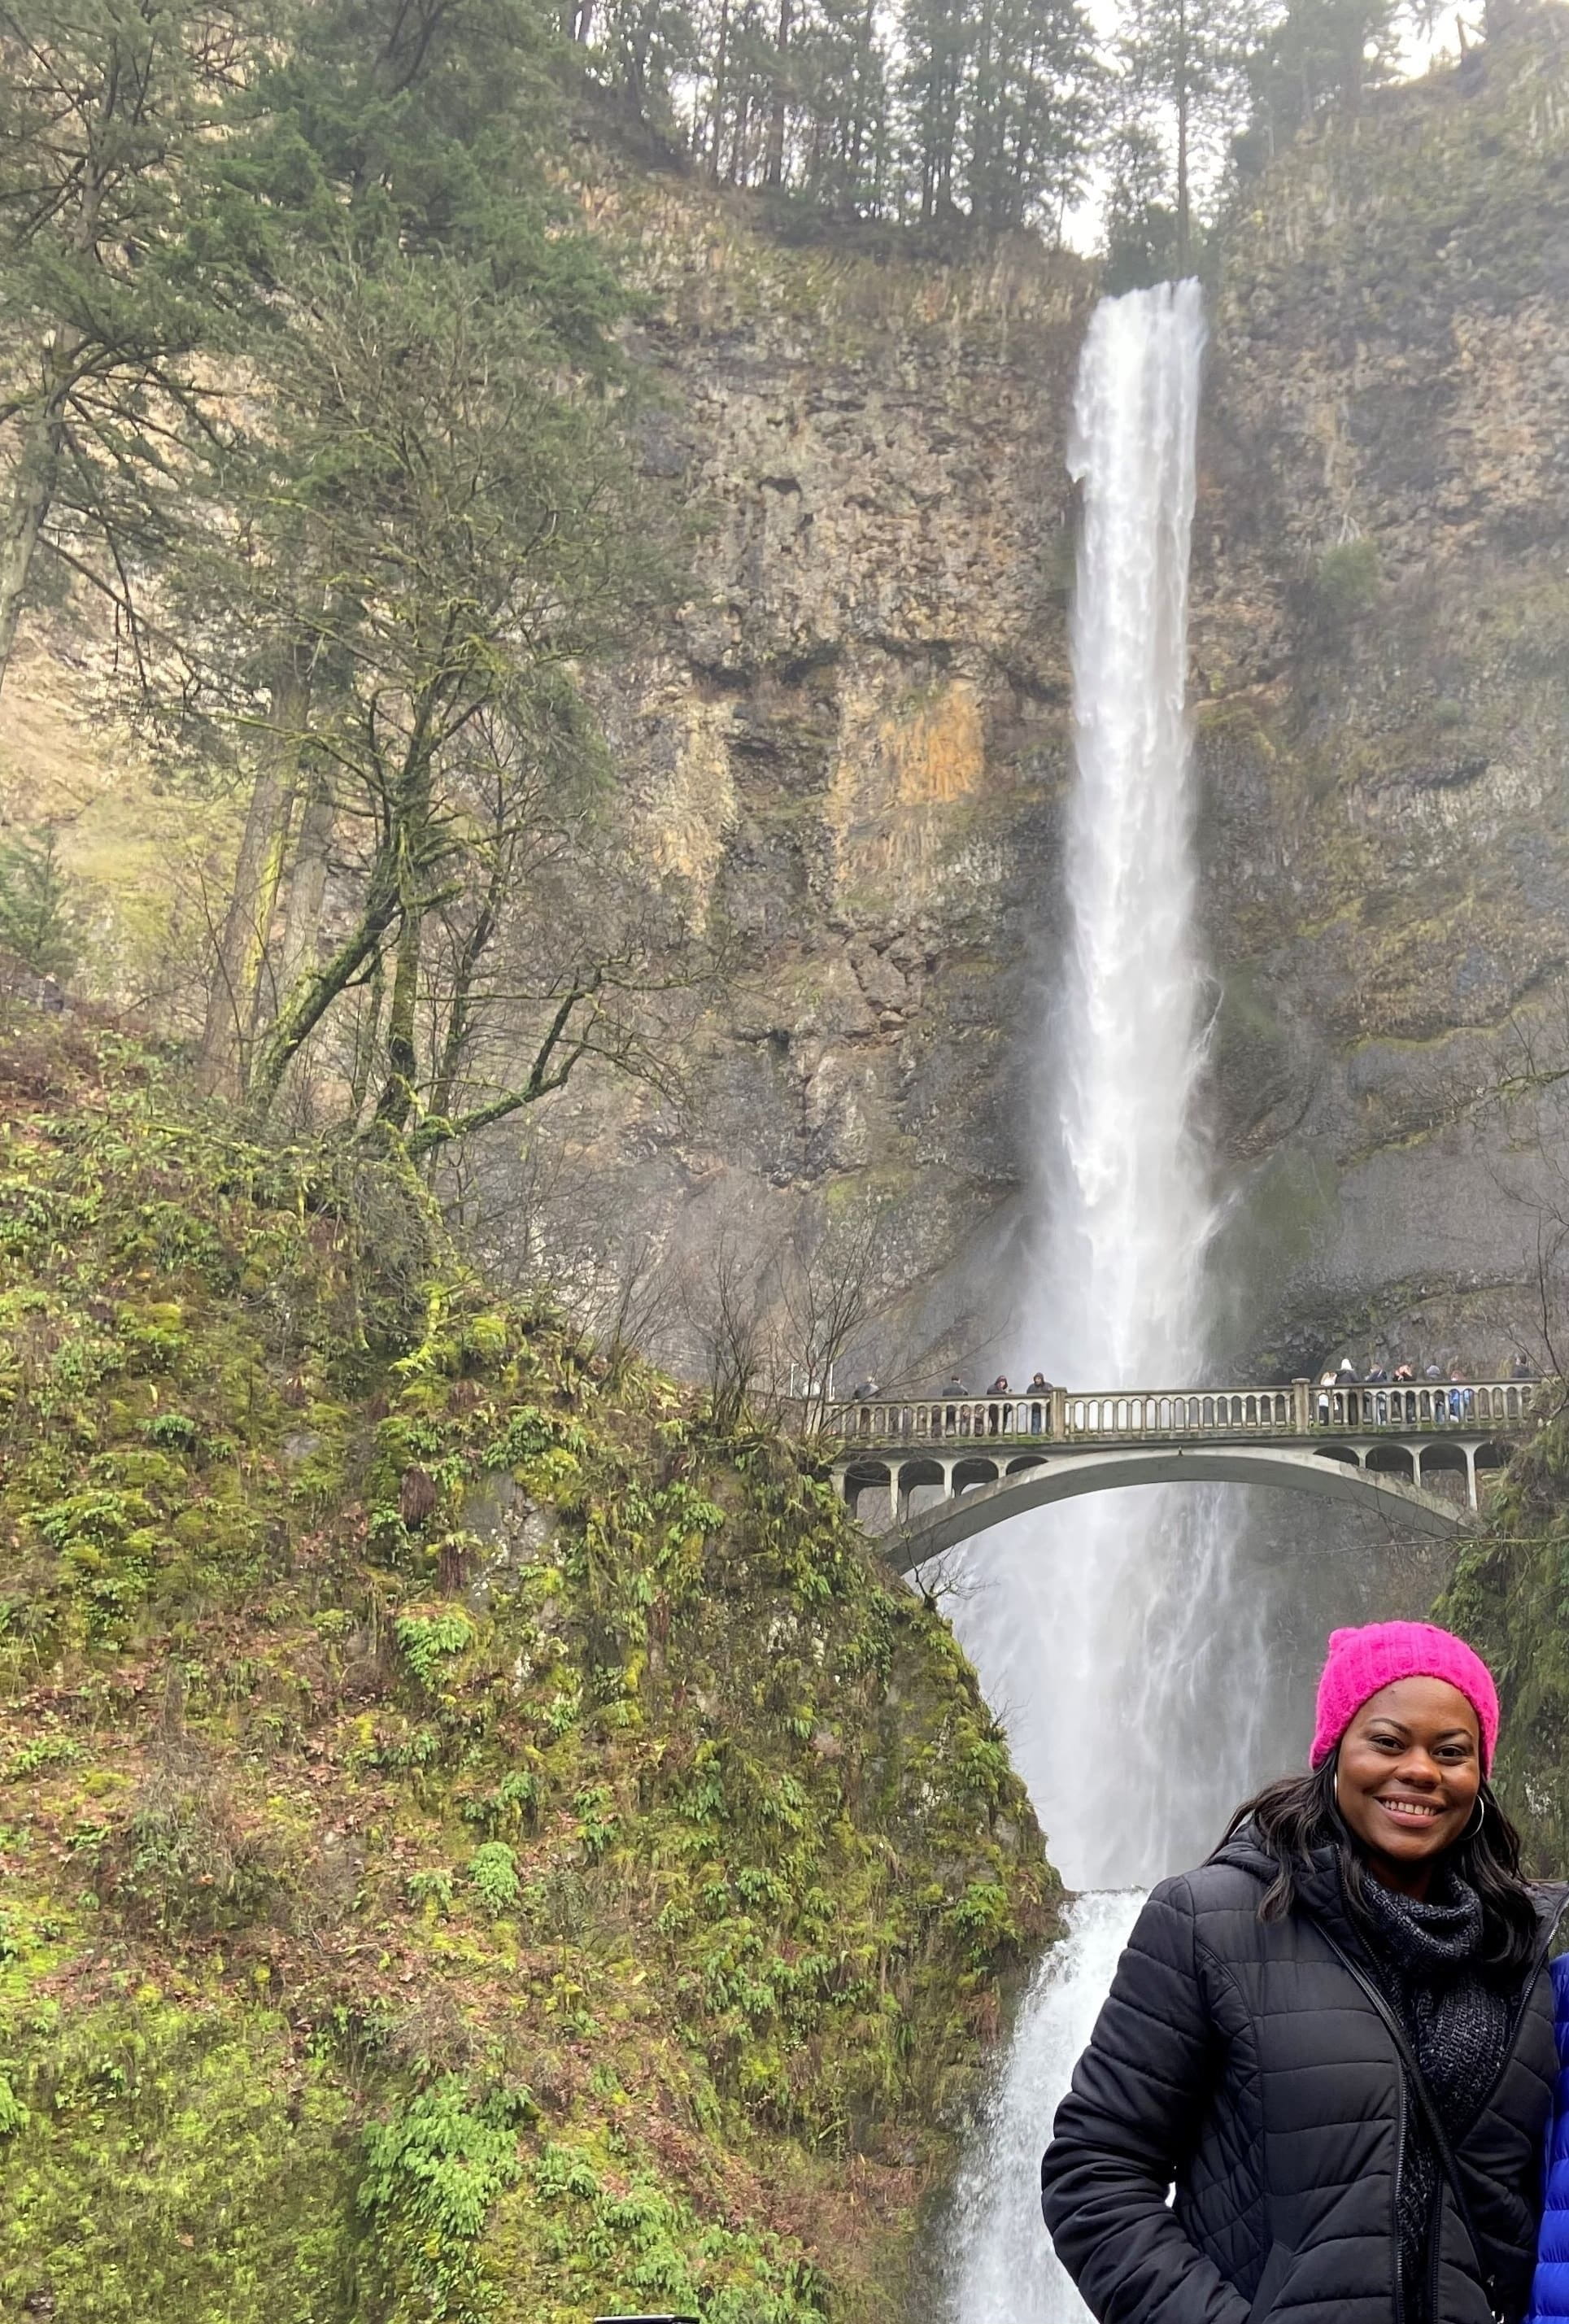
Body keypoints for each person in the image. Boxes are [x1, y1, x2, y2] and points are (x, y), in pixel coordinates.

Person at [1042, 1620, 1564, 2324]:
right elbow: (1093, 2173)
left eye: (1450, 1751)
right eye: (1386, 1741)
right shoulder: (1209, 1919)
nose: (1419, 1770)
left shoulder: (1524, 1953)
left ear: (1480, 1773)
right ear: (1334, 1750)